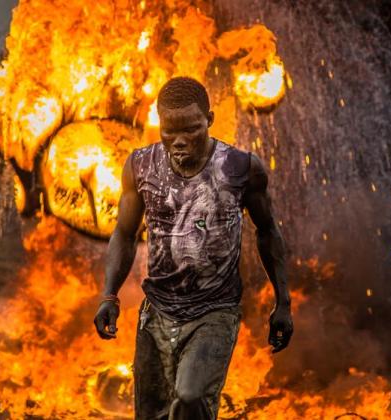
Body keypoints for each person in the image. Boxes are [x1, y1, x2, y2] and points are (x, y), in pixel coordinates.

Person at [93, 77, 293, 420]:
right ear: (159, 124)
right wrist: (109, 296)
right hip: (157, 312)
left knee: (189, 397)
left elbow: (268, 230)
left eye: (192, 129)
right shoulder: (140, 166)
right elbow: (124, 234)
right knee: (152, 415)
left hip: (215, 311)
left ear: (210, 120)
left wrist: (283, 302)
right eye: (170, 131)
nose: (180, 140)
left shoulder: (241, 168)